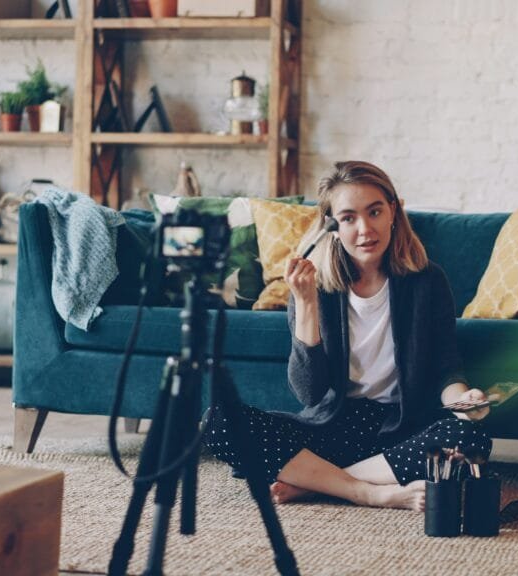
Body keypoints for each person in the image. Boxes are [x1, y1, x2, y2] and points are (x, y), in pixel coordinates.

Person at [205, 161, 492, 511]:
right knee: (219, 421)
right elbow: (310, 394)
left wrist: (463, 401)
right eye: (348, 218)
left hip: (400, 429)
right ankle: (366, 491)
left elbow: (446, 366)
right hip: (332, 427)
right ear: (332, 226)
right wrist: (306, 303)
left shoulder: (427, 280)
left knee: (467, 437)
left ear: (394, 212)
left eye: (374, 212)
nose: (365, 229)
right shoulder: (312, 287)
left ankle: (316, 483)